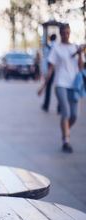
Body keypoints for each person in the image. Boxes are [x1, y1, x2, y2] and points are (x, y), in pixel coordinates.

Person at [38, 24, 84, 153]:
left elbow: (80, 68)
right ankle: (66, 141)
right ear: (60, 33)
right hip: (60, 84)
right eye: (64, 32)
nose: (66, 35)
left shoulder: (75, 47)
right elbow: (51, 69)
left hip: (74, 85)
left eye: (68, 32)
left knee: (74, 115)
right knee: (66, 112)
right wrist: (42, 86)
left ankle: (65, 130)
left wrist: (80, 54)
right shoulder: (56, 48)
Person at [41, 33, 57, 112]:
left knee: (48, 88)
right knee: (58, 88)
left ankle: (46, 105)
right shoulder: (58, 46)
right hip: (56, 70)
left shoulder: (47, 47)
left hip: (50, 69)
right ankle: (60, 107)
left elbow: (45, 60)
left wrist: (45, 71)